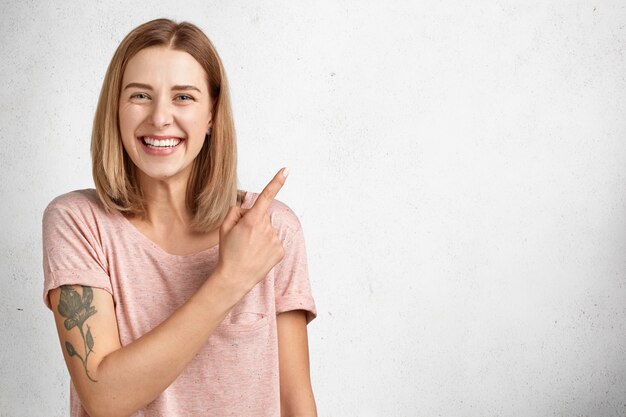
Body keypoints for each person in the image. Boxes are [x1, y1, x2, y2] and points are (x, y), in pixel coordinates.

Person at [42, 18, 317, 417]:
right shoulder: (77, 223)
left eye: (183, 97)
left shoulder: (271, 229)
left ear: (211, 115)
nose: (159, 118)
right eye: (140, 95)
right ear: (115, 109)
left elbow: (295, 401)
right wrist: (231, 279)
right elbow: (104, 398)